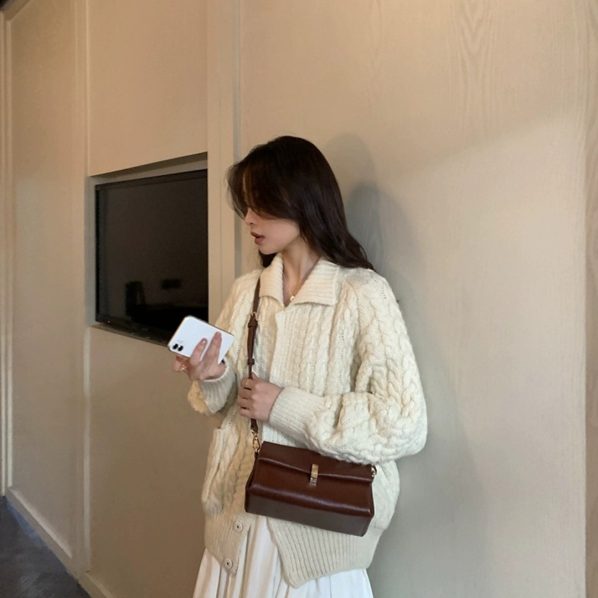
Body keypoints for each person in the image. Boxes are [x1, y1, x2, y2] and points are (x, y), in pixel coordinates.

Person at [173, 136, 427, 597]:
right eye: (247, 206)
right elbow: (226, 407)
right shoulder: (247, 290)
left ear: (303, 201)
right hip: (237, 525)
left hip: (317, 540)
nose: (249, 219)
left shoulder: (362, 294)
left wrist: (285, 406)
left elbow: (403, 424)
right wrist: (213, 377)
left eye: (262, 204)